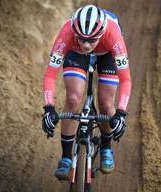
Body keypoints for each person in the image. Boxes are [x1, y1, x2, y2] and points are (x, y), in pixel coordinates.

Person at [41, 4, 131, 181]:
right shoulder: (67, 32)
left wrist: (120, 112)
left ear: (101, 33)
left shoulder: (113, 35)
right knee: (73, 99)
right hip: (75, 54)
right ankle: (66, 157)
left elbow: (126, 80)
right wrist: (48, 107)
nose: (86, 44)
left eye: (91, 40)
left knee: (106, 104)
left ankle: (106, 146)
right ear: (75, 31)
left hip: (107, 53)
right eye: (82, 39)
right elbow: (50, 75)